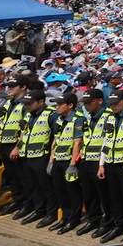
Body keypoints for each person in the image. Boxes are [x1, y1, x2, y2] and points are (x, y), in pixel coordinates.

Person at [15, 89, 58, 228]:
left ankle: (51, 213)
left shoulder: (51, 114)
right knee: (33, 185)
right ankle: (39, 210)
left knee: (47, 187)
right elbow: (23, 133)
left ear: (41, 102)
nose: (26, 106)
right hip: (27, 156)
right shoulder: (28, 114)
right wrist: (18, 147)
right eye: (25, 103)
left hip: (42, 157)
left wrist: (51, 159)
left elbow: (57, 137)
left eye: (29, 103)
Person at [98, 89, 123, 243]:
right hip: (110, 164)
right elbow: (105, 142)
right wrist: (102, 164)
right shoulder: (110, 117)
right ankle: (119, 225)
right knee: (115, 198)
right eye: (111, 104)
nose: (112, 106)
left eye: (116, 103)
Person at [77, 88, 112, 237]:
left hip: (100, 162)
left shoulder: (108, 117)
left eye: (89, 102)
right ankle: (93, 219)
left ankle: (108, 222)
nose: (86, 105)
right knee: (88, 193)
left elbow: (108, 141)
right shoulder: (90, 116)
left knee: (105, 196)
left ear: (99, 101)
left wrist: (101, 164)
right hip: (86, 160)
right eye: (84, 103)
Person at [47, 93, 84, 234]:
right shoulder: (59, 119)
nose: (57, 107)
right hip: (58, 160)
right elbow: (55, 141)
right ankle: (65, 217)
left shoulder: (78, 119)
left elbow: (77, 143)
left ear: (70, 105)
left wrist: (73, 164)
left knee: (72, 191)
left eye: (60, 104)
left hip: (69, 161)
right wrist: (51, 161)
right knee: (59, 190)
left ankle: (73, 219)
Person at [0, 75, 28, 219]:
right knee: (12, 176)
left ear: (23, 88)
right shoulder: (8, 103)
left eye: (13, 86)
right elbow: (1, 124)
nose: (9, 89)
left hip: (17, 146)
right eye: (8, 86)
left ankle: (27, 204)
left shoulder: (26, 104)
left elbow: (26, 128)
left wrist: (18, 147)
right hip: (5, 144)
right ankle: (18, 201)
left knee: (22, 176)